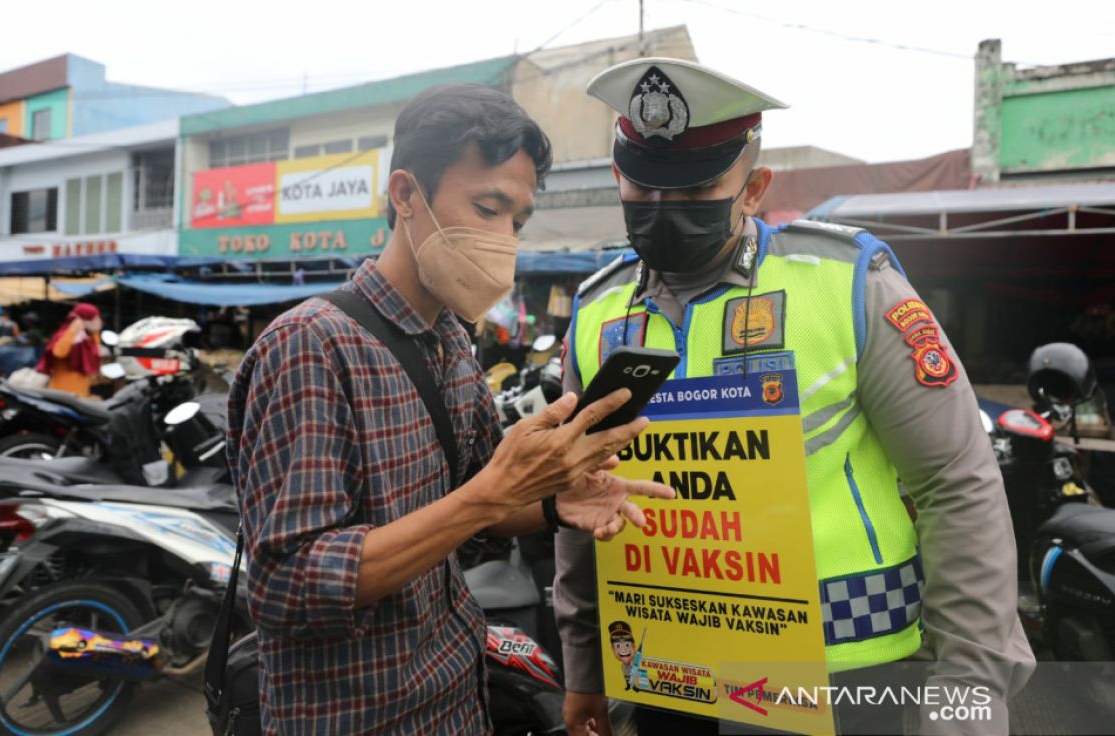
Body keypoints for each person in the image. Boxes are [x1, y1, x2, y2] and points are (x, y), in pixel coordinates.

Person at [554, 58, 1035, 735]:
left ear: (753, 189)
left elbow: (956, 482)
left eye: (693, 192)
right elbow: (582, 494)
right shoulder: (597, 312)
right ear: (617, 179)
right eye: (644, 187)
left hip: (845, 680)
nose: (663, 210)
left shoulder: (849, 284)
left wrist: (971, 694)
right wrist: (585, 666)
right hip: (669, 679)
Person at [227, 84, 675, 736]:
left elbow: (477, 511)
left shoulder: (453, 344)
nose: (502, 239)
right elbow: (288, 587)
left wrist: (551, 501)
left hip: (457, 701)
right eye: (487, 208)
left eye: (516, 223)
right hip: (355, 718)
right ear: (406, 195)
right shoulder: (310, 346)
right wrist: (491, 497)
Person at [36, 302, 103, 396]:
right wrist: (72, 331)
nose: (99, 321)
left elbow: (95, 351)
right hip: (63, 393)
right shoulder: (65, 334)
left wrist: (95, 332)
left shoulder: (86, 337)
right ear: (85, 319)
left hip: (80, 392)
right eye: (95, 317)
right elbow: (58, 353)